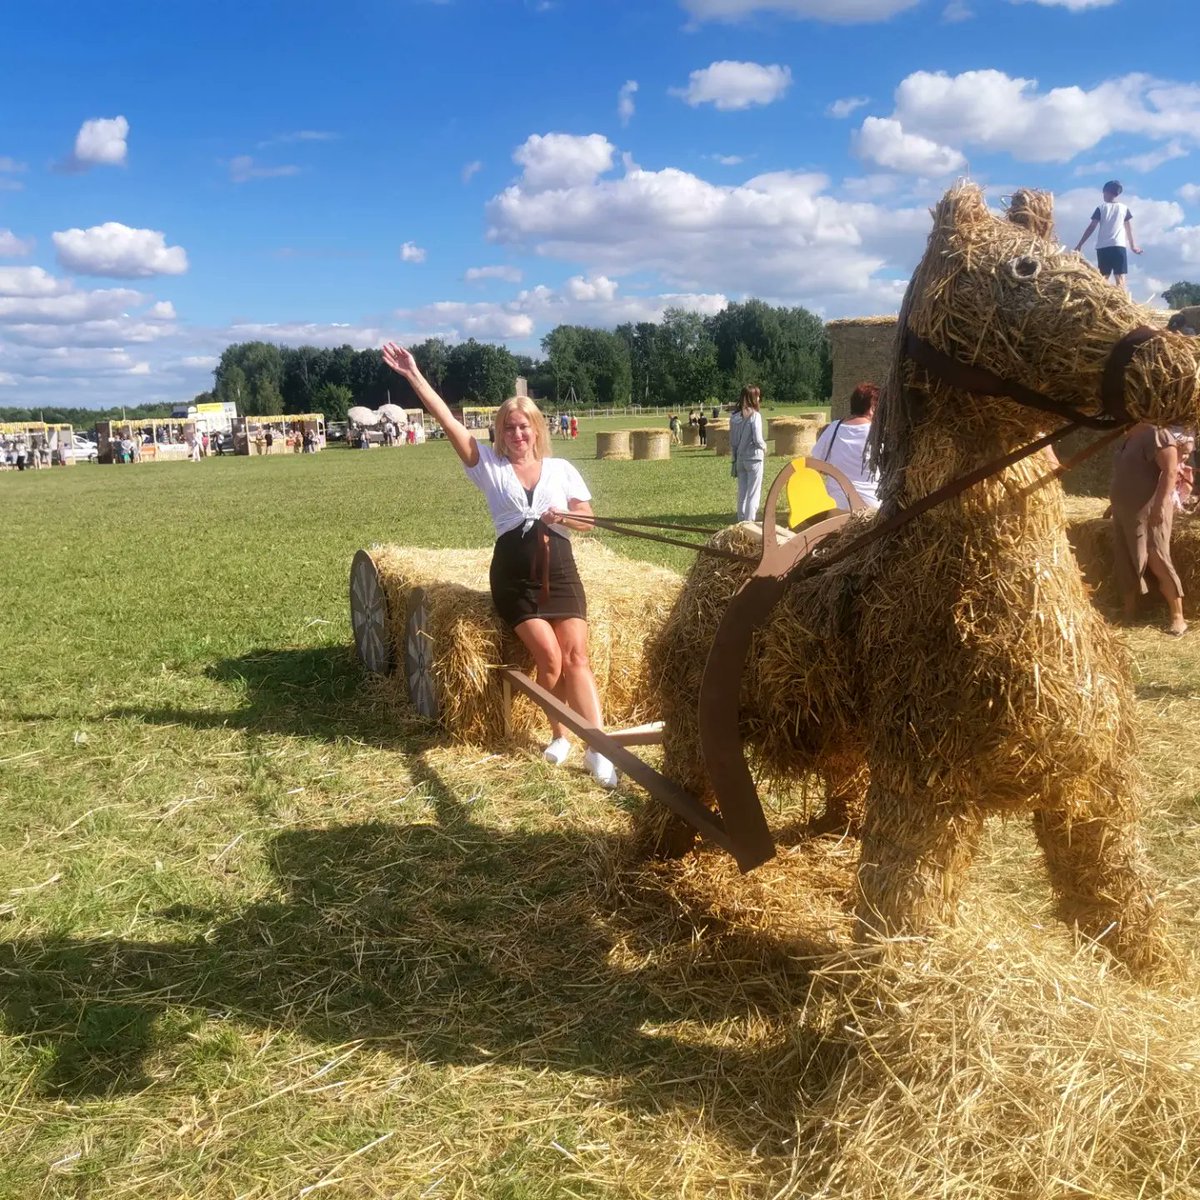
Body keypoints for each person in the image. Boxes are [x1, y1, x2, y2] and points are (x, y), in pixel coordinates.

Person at [382, 341, 619, 788]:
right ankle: (560, 735)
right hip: (515, 580)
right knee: (549, 658)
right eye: (509, 427)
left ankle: (599, 749)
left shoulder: (561, 469)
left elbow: (588, 520)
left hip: (561, 574)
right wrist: (414, 375)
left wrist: (564, 516)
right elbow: (448, 421)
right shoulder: (487, 465)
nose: (517, 434)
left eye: (524, 426)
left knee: (577, 657)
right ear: (500, 432)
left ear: (537, 429)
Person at [1110, 424, 1191, 636]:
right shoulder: (1129, 435)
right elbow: (1126, 474)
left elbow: (1170, 471)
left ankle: (1178, 618)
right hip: (1125, 511)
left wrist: (1159, 507)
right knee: (1126, 559)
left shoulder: (1157, 433)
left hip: (1149, 511)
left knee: (1156, 558)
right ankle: (1129, 613)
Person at [811, 382, 881, 509]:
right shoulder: (878, 432)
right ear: (872, 408)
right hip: (871, 507)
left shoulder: (834, 428)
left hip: (837, 506)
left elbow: (816, 466)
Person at [1075, 180, 1142, 293]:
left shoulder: (1101, 208)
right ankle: (1121, 300)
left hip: (1103, 247)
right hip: (1118, 246)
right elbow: (1128, 228)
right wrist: (1133, 246)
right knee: (1120, 277)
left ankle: (1100, 298)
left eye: (1103, 193)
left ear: (1106, 192)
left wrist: (1080, 244)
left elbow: (1091, 227)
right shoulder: (1124, 208)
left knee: (1103, 277)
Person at [729, 385, 768, 522]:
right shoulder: (755, 416)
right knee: (753, 494)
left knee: (742, 494)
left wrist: (734, 457)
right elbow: (757, 439)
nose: (759, 398)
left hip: (740, 459)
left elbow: (733, 442)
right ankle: (749, 522)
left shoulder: (734, 418)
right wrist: (764, 446)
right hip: (754, 458)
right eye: (757, 395)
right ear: (752, 398)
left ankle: (741, 521)